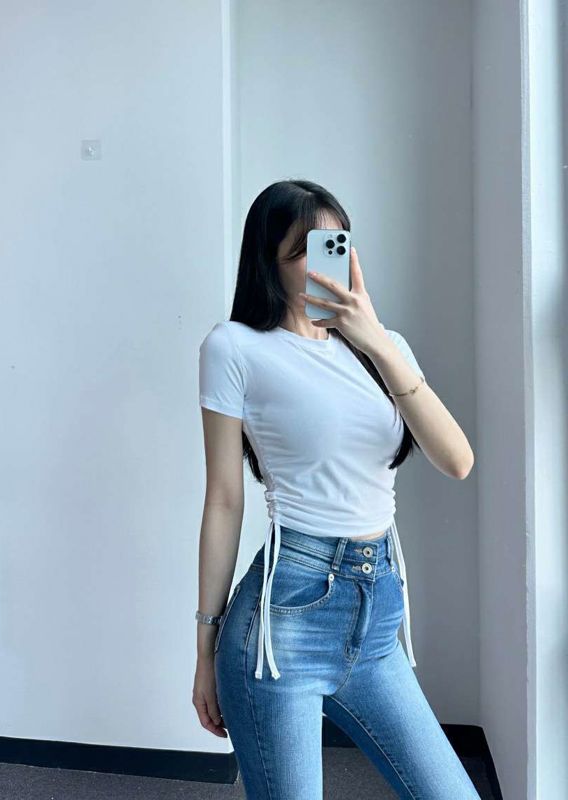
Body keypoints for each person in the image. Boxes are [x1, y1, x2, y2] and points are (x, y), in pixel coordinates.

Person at [192, 179, 480, 799]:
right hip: (285, 619)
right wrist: (205, 649)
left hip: (377, 615)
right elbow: (224, 500)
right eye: (305, 249)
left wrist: (373, 337)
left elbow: (457, 460)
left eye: (336, 242)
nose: (328, 260)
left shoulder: (386, 348)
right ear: (269, 261)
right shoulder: (235, 348)